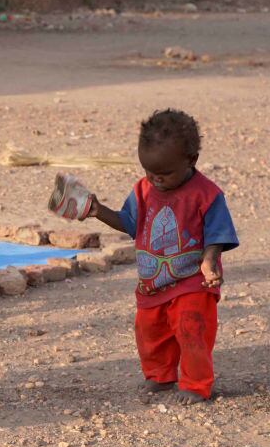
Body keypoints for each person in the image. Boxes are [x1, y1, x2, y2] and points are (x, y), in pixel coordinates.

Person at [70, 109, 239, 404]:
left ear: (191, 161)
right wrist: (98, 211)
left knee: (192, 331)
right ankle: (160, 376)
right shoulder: (143, 189)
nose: (156, 180)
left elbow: (218, 234)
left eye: (165, 174)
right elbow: (129, 223)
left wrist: (210, 260)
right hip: (152, 284)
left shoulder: (207, 195)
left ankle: (196, 384)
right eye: (149, 172)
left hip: (192, 283)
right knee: (150, 332)